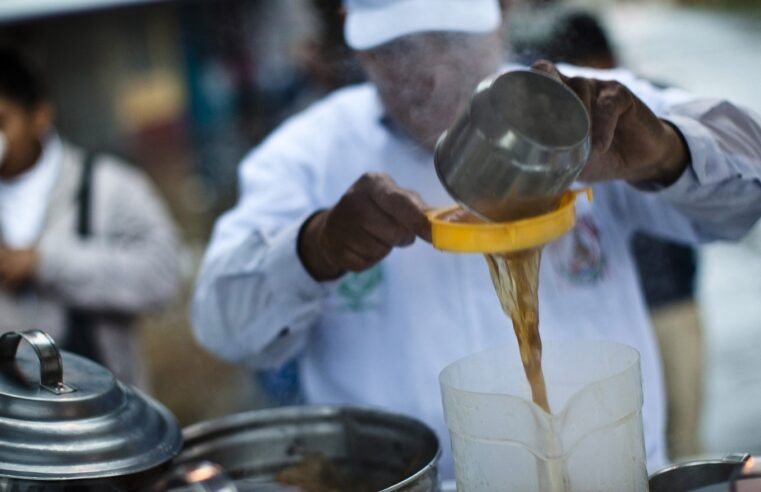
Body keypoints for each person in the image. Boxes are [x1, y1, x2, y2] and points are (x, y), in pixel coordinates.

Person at [191, 0, 761, 477]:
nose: (429, 73)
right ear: (357, 48)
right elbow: (223, 325)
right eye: (395, 50)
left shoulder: (579, 109)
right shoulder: (309, 155)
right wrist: (313, 248)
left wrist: (666, 150)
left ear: (501, 18)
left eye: (447, 39)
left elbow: (747, 184)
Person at [508, 6, 705, 460]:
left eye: (594, 67)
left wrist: (665, 153)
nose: (590, 85)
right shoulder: (562, 130)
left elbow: (720, 184)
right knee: (638, 438)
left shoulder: (650, 106)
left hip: (673, 303)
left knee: (685, 442)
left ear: (608, 55)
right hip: (626, 310)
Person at [0, 48, 181, 387]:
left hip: (104, 418)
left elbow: (164, 275)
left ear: (39, 114)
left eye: (1, 122)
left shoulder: (108, 186)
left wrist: (45, 263)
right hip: (12, 428)